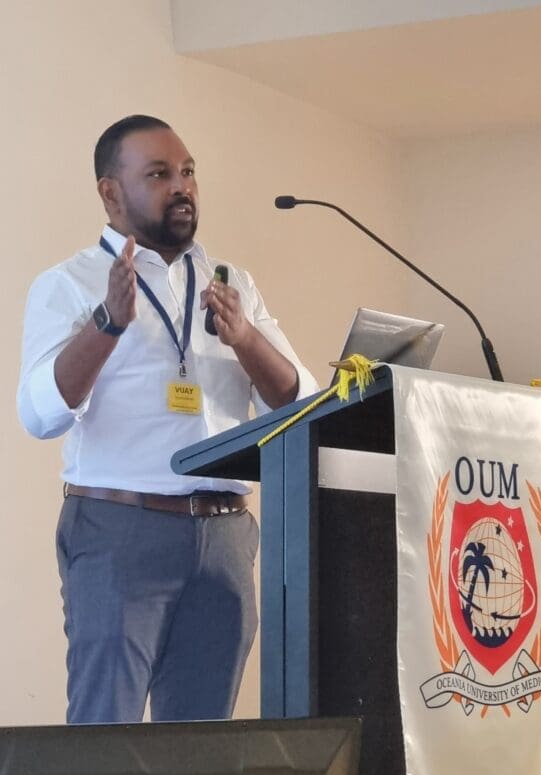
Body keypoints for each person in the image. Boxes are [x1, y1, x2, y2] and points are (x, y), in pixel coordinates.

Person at [18, 114, 318, 725]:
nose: (180, 187)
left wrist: (245, 338)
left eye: (187, 173)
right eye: (158, 174)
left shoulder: (231, 283)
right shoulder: (68, 285)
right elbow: (39, 413)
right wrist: (108, 323)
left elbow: (298, 403)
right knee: (107, 735)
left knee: (202, 743)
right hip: (120, 530)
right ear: (110, 192)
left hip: (226, 539)